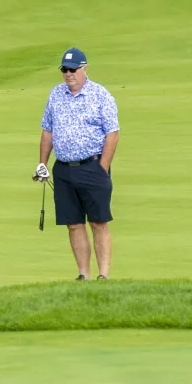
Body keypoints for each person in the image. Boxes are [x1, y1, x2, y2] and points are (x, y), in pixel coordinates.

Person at [34, 48, 120, 281]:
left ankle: (103, 275)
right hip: (63, 169)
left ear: (85, 69)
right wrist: (42, 163)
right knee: (73, 224)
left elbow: (112, 133)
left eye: (73, 69)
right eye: (64, 70)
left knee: (98, 222)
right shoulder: (56, 94)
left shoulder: (100, 95)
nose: (68, 74)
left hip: (92, 166)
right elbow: (47, 130)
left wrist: (102, 168)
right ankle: (83, 275)